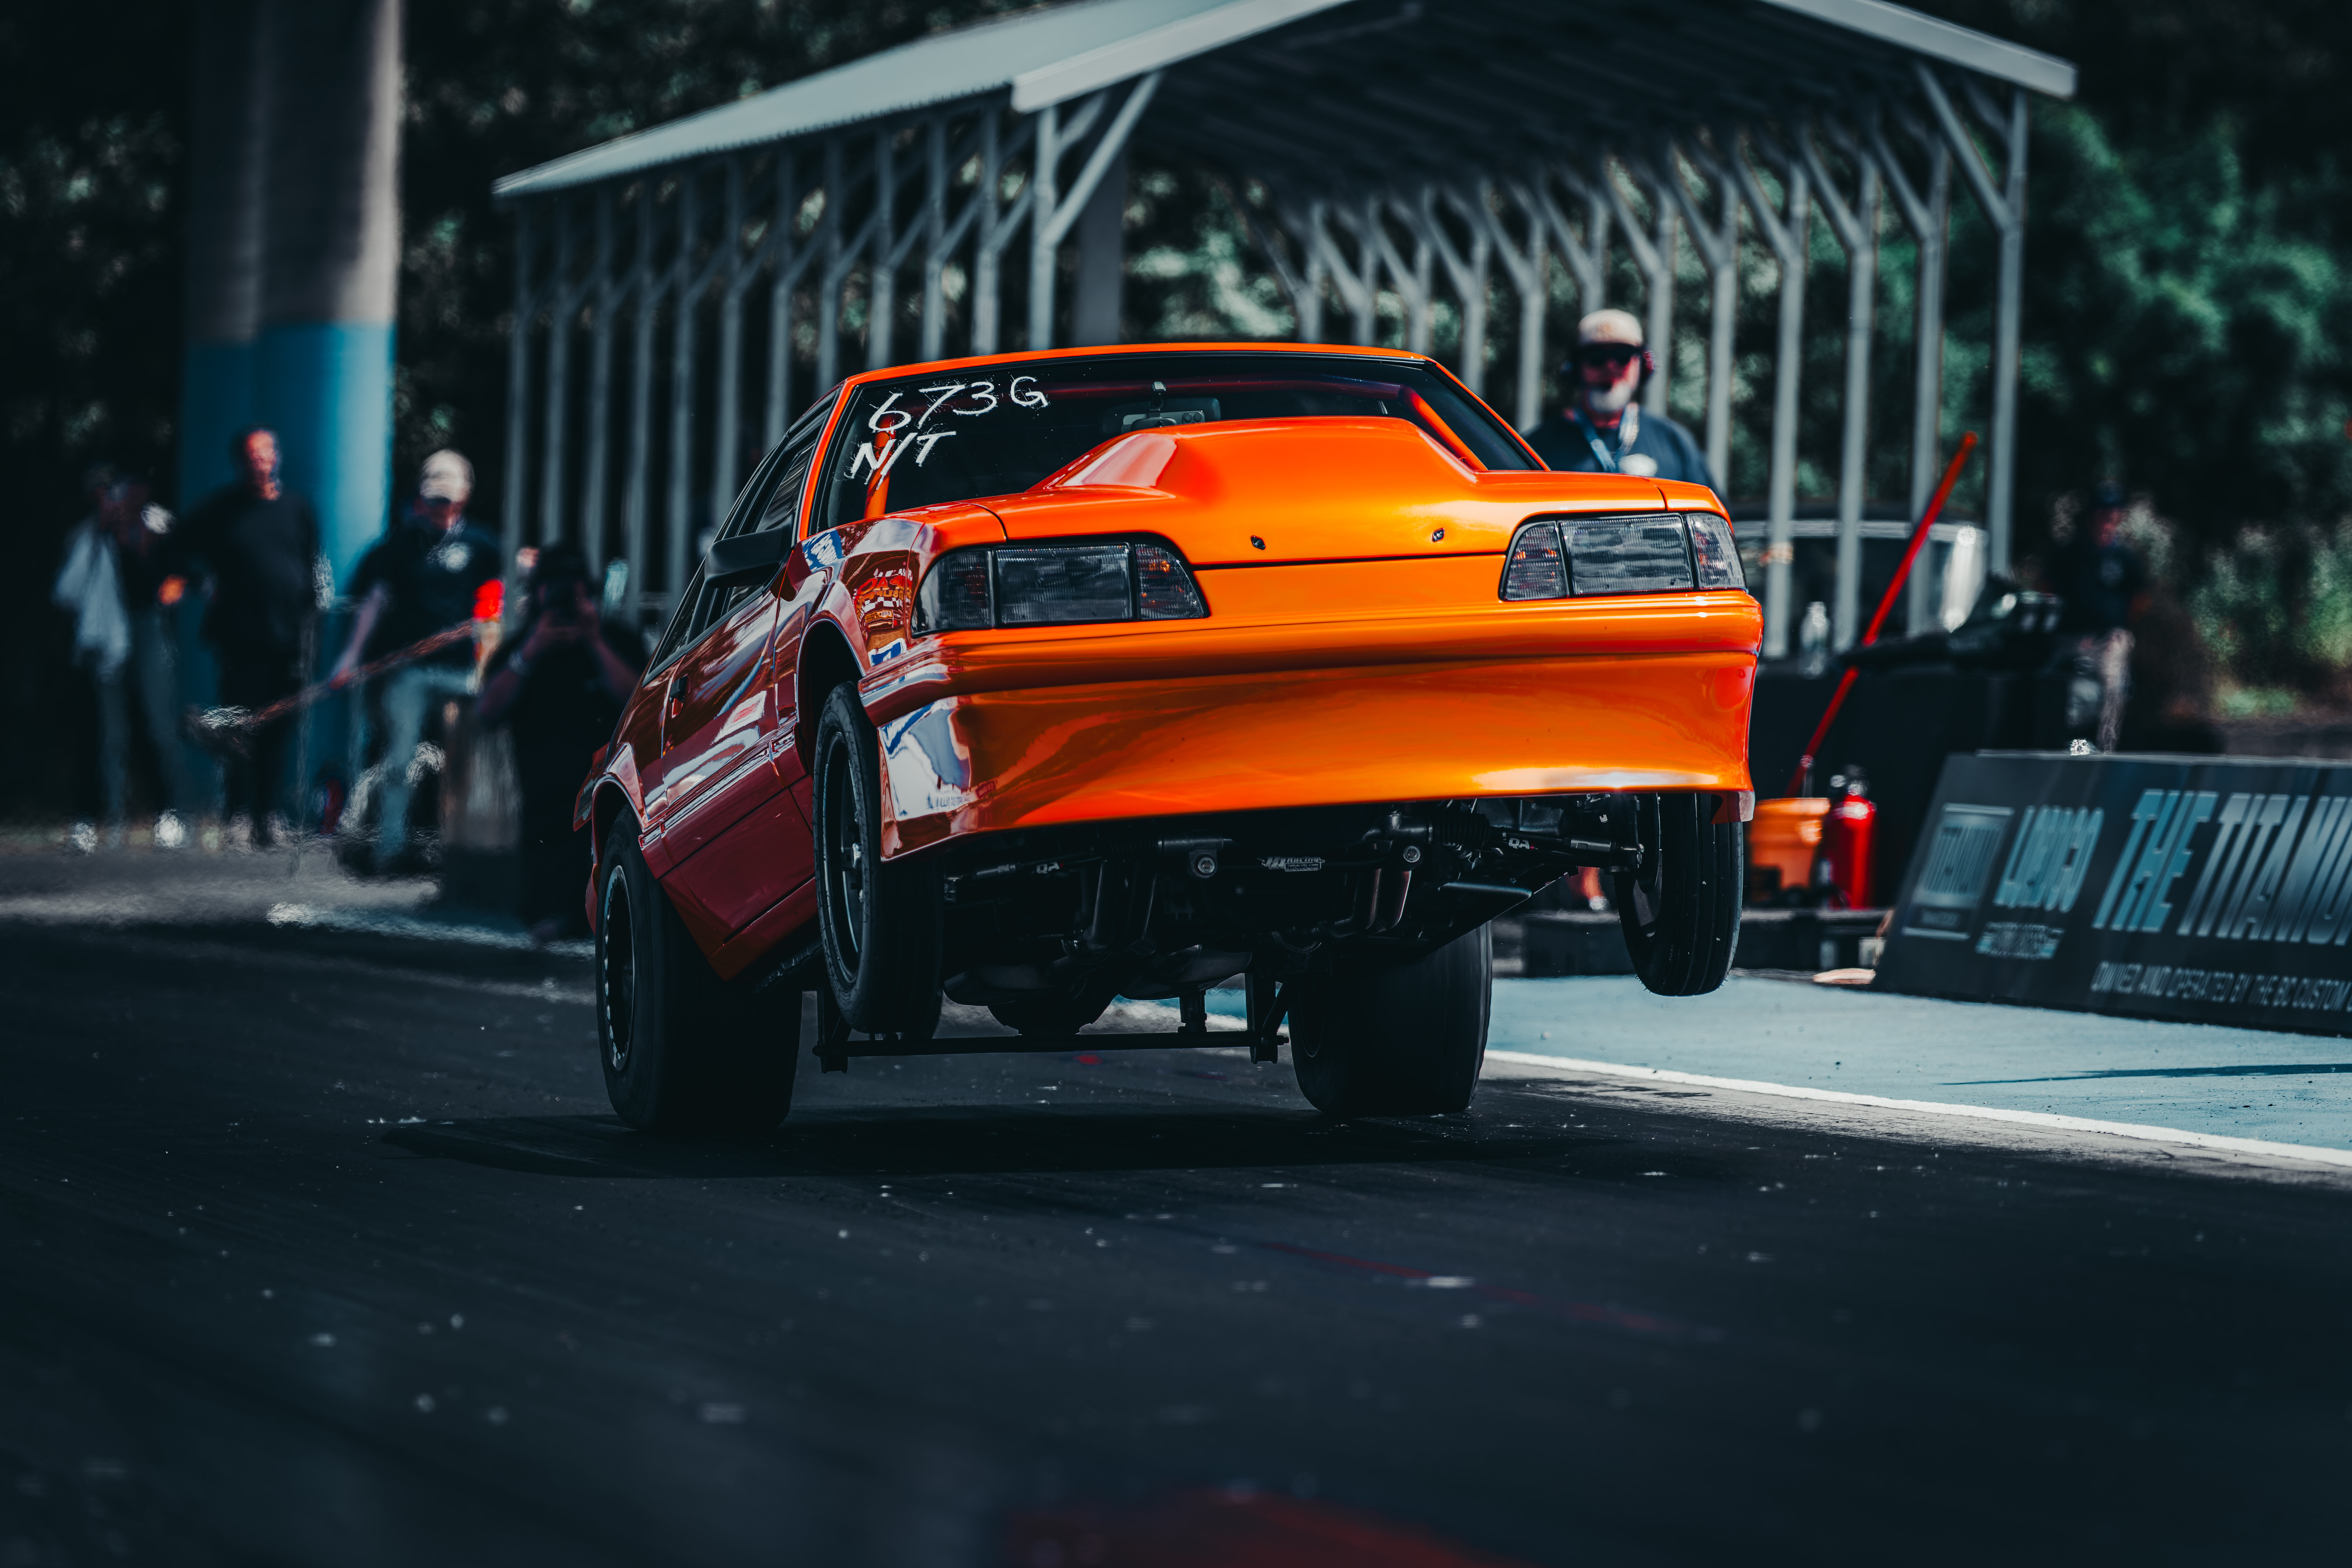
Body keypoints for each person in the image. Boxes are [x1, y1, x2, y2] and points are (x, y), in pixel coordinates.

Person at [333, 450, 502, 872]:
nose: (441, 508)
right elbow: (375, 600)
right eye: (434, 499)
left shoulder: (483, 545)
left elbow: (503, 597)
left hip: (465, 672)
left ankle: (468, 852)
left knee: (472, 761)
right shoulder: (400, 546)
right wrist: (350, 657)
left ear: (463, 498)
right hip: (409, 670)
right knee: (399, 761)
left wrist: (488, 641)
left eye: (448, 499)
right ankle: (391, 847)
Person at [475, 544, 640, 941]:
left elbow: (639, 702)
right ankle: (555, 917)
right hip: (544, 798)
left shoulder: (617, 638)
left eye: (575, 592)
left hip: (608, 786)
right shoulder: (520, 647)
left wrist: (595, 641)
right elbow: (487, 711)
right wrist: (533, 650)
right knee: (544, 902)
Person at [175, 429, 322, 848]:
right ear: (242, 461)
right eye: (252, 455)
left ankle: (268, 815)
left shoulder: (298, 508)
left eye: (267, 453)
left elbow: (311, 567)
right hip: (239, 637)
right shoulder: (222, 509)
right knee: (239, 726)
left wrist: (310, 628)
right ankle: (237, 814)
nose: (261, 461)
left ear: (277, 457)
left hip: (288, 638)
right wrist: (200, 581)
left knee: (278, 728)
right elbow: (178, 545)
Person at [1524, 309, 1715, 489]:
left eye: (1623, 357)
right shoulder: (1535, 448)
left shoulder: (1676, 441)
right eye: (1596, 357)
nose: (1610, 367)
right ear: (1575, 368)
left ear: (1644, 365)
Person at [2045, 479, 2150, 752]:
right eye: (2104, 514)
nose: (2109, 521)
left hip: (2109, 640)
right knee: (2075, 699)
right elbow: (2046, 589)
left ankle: (2105, 753)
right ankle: (2076, 748)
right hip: (2074, 640)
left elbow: (2140, 598)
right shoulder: (2071, 554)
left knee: (2113, 693)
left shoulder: (2123, 557)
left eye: (2114, 515)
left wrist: (2118, 628)